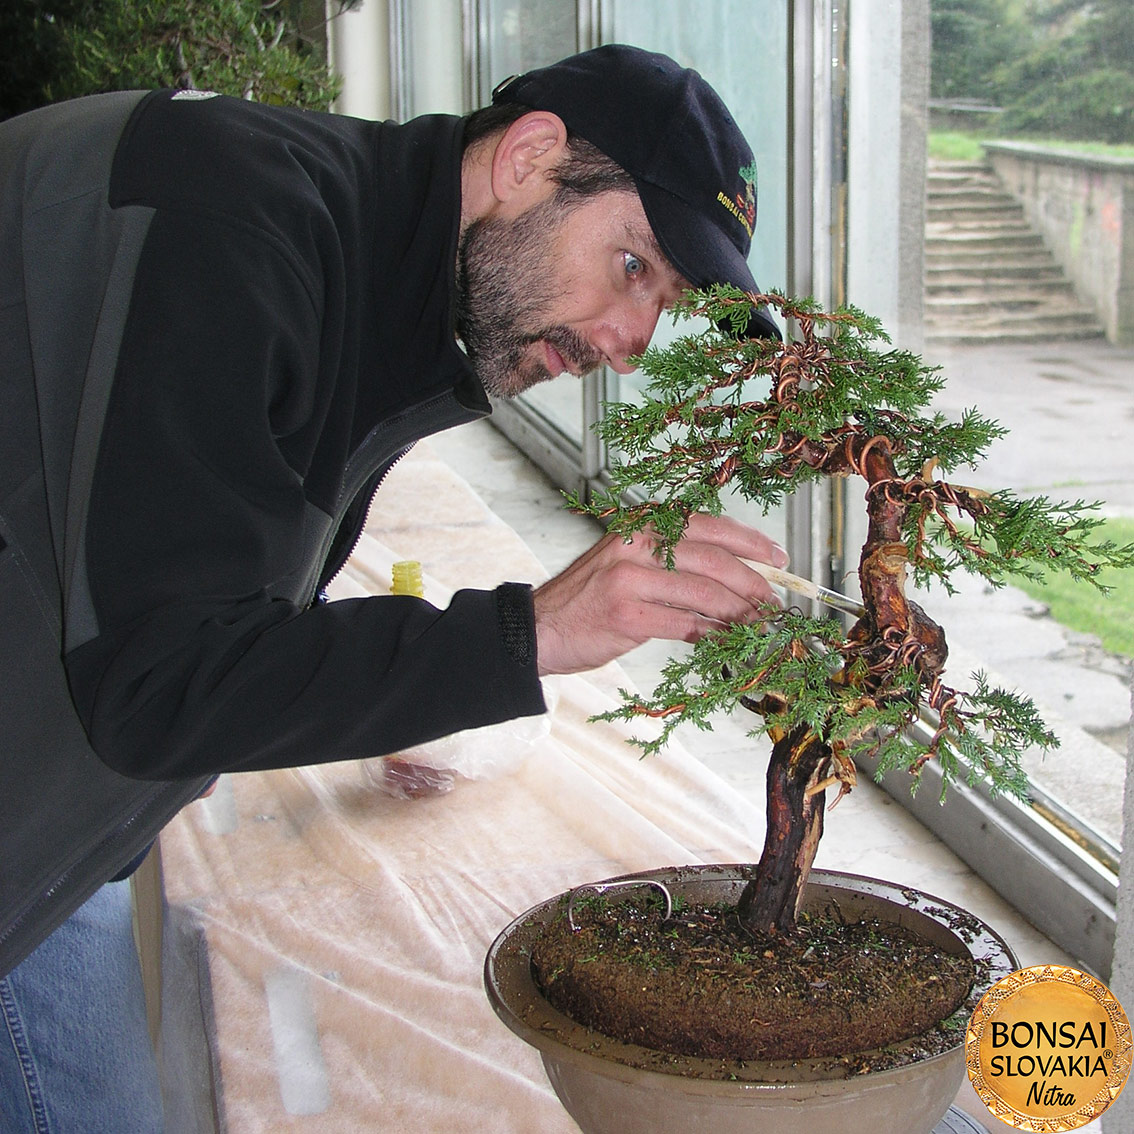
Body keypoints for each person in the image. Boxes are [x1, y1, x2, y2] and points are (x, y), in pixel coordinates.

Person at [0, 44, 785, 1130]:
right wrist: (528, 634)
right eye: (635, 267)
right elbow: (157, 677)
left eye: (667, 301)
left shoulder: (378, 279)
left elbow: (204, 590)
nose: (632, 342)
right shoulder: (227, 220)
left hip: (56, 820)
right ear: (530, 156)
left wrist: (390, 680)